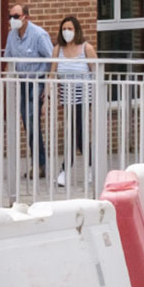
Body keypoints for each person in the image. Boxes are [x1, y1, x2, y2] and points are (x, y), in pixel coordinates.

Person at [4, 2, 54, 177]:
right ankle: (38, 163)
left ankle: (40, 164)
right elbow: (8, 59)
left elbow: (52, 60)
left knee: (32, 120)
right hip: (22, 82)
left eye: (16, 16)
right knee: (27, 121)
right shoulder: (12, 36)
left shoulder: (39, 35)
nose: (12, 20)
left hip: (37, 81)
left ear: (25, 17)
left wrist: (47, 87)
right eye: (10, 17)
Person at [50, 16, 95, 188]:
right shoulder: (57, 50)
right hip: (67, 97)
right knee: (79, 135)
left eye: (70, 28)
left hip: (83, 96)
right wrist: (48, 96)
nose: (66, 32)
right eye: (64, 29)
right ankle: (91, 167)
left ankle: (64, 171)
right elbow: (52, 73)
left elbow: (97, 71)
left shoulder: (86, 48)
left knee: (74, 132)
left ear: (76, 30)